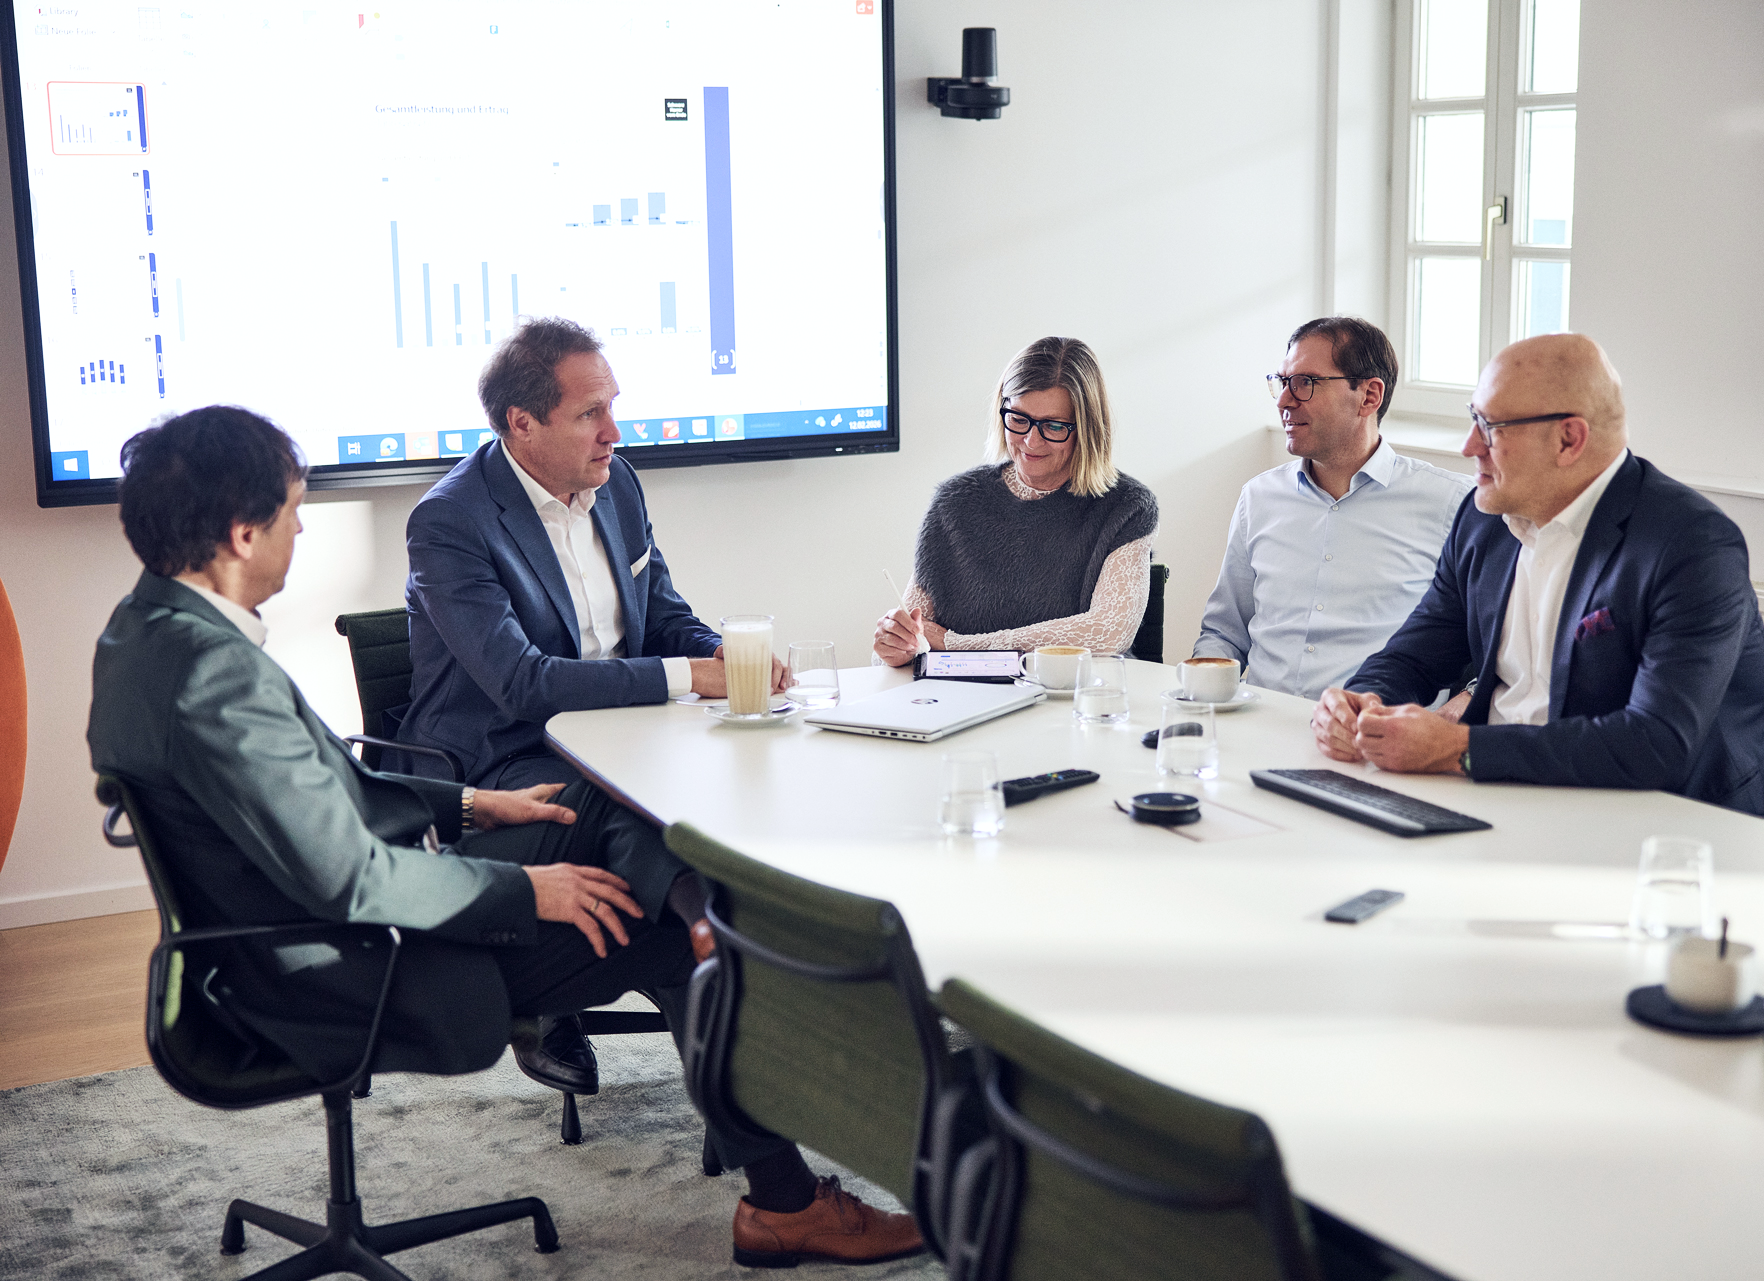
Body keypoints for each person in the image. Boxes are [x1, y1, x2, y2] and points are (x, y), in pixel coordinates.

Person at [87, 407, 922, 1268]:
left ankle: (713, 926)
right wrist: (530, 890)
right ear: (241, 532)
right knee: (669, 932)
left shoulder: (146, 632)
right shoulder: (215, 674)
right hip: (331, 969)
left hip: (283, 939)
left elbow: (312, 796)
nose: (302, 527)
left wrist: (473, 806)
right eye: (296, 510)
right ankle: (779, 1176)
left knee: (584, 811)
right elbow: (349, 876)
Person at [1312, 334, 1764, 814]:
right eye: (1473, 418)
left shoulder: (1690, 544)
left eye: (1491, 427)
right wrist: (1359, 701)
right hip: (1497, 793)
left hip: (1660, 820)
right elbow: (1416, 653)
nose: (1469, 446)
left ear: (1568, 439)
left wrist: (1458, 748)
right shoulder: (1483, 520)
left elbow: (1655, 743)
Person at [397, 317, 786, 793]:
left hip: (623, 733)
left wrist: (721, 656)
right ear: (523, 423)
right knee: (660, 814)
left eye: (611, 407)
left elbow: (661, 618)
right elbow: (523, 683)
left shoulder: (615, 482)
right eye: (589, 414)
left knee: (762, 768)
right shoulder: (450, 521)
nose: (614, 433)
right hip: (507, 759)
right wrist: (691, 675)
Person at [1193, 316, 1471, 697]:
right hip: (1258, 724)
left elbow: (1490, 648)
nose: (1284, 401)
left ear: (1369, 396)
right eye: (1282, 382)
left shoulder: (1451, 504)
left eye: (1306, 383)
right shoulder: (1258, 497)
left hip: (1371, 740)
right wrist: (1201, 696)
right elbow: (1224, 633)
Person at [872, 336, 1158, 664]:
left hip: (1074, 703)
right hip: (968, 704)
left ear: (1086, 429)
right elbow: (913, 637)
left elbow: (1108, 633)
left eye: (1052, 426)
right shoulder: (955, 502)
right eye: (1019, 419)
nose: (1030, 441)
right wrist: (894, 647)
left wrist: (955, 644)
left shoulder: (1128, 507)